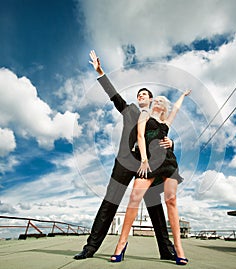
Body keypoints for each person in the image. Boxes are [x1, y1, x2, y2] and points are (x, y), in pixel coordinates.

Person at [73, 50, 176, 260]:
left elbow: (162, 143)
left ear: (152, 100)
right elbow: (113, 95)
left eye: (145, 94)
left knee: (154, 206)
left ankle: (166, 250)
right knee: (109, 202)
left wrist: (171, 143)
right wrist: (100, 72)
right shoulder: (129, 110)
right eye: (139, 94)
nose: (140, 96)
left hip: (147, 166)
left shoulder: (157, 120)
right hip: (125, 161)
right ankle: (90, 248)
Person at [111, 91, 191, 265]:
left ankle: (178, 248)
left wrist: (183, 96)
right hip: (149, 161)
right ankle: (121, 243)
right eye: (156, 100)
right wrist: (144, 159)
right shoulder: (145, 114)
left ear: (164, 107)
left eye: (161, 101)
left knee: (171, 200)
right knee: (135, 197)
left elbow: (176, 109)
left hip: (168, 161)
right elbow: (140, 135)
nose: (157, 102)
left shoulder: (166, 123)